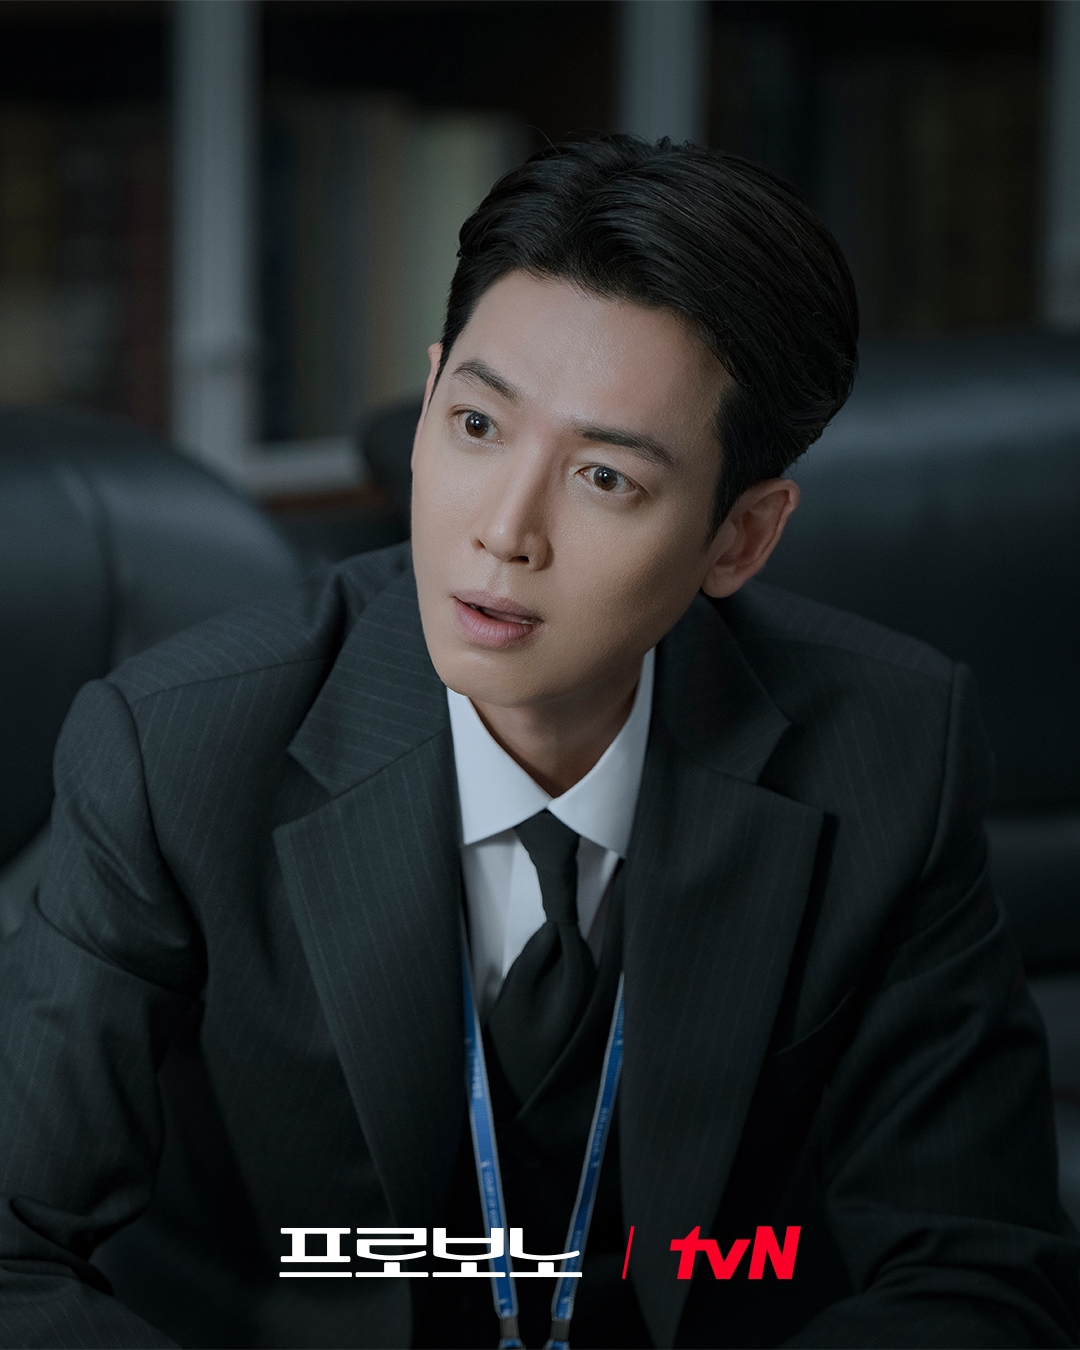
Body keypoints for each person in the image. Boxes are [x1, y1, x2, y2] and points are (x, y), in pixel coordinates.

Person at [0, 136, 1075, 1350]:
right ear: (425, 407)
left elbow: (977, 1276)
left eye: (606, 478)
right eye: (475, 423)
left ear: (740, 538)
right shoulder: (176, 750)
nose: (506, 531)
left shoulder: (889, 753)